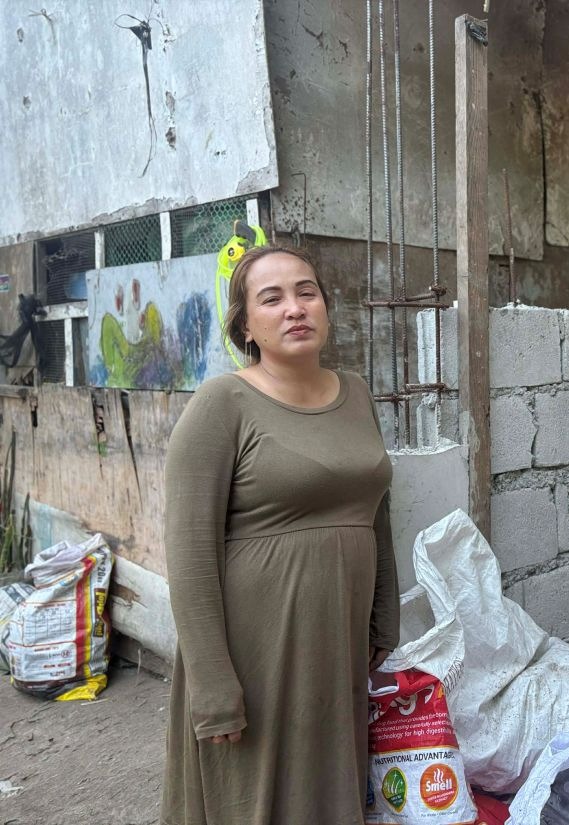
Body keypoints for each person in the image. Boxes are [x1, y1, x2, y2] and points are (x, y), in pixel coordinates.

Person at [160, 244, 399, 825]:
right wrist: (213, 685)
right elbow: (189, 556)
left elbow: (377, 512)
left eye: (306, 292)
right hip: (256, 650)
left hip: (338, 641)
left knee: (327, 787)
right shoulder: (221, 404)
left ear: (325, 308)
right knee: (257, 796)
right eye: (272, 299)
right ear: (245, 325)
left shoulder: (356, 392)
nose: (295, 308)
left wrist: (384, 617)